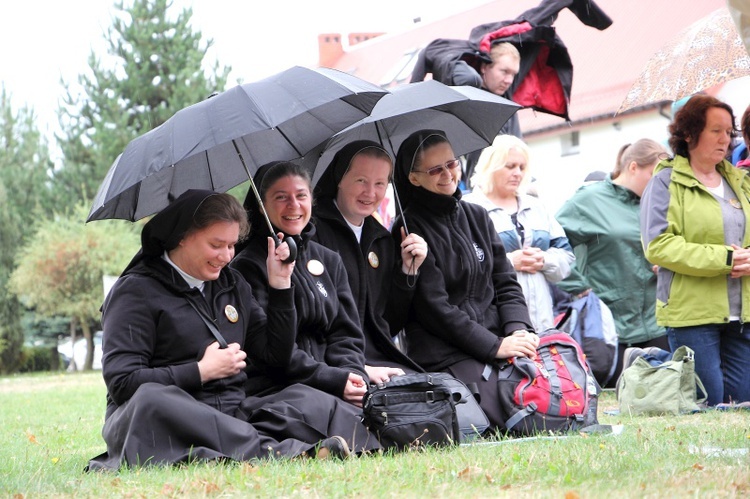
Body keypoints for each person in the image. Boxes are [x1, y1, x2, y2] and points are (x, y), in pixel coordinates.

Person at [87, 190, 351, 471]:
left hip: (232, 412)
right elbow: (122, 383)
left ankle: (377, 435)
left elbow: (276, 356)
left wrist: (280, 284)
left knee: (306, 398)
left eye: (232, 245)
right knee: (151, 400)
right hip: (164, 416)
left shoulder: (232, 284)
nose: (226, 256)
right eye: (216, 245)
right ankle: (277, 452)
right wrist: (201, 371)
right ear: (182, 236)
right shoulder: (135, 291)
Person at [390, 129, 537, 432]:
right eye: (435, 169)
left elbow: (506, 283)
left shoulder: (477, 216)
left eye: (452, 163)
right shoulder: (408, 229)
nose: (448, 174)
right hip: (446, 354)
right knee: (515, 413)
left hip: (498, 341)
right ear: (414, 178)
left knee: (543, 389)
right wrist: (495, 346)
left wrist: (519, 331)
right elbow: (435, 309)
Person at [231, 162, 374, 408]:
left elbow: (346, 334)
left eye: (301, 196)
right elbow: (274, 354)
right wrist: (333, 380)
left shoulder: (329, 259)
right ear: (262, 206)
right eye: (281, 197)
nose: (294, 206)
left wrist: (353, 377)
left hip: (335, 380)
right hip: (278, 388)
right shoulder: (246, 268)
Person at [640, 95, 750, 406]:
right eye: (716, 130)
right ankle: (649, 364)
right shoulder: (664, 182)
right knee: (706, 404)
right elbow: (658, 245)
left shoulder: (740, 182)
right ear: (689, 134)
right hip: (691, 313)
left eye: (729, 132)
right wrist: (725, 259)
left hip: (742, 311)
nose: (725, 139)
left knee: (742, 404)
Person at [555, 138, 670, 387]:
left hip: (657, 322)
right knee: (617, 402)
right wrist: (578, 285)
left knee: (662, 402)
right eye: (654, 174)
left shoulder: (660, 204)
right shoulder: (589, 200)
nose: (660, 183)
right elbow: (553, 244)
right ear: (633, 167)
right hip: (610, 327)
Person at [312, 140, 429, 378]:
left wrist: (408, 272)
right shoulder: (312, 234)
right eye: (361, 181)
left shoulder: (382, 240)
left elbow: (389, 323)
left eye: (380, 183)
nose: (370, 193)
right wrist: (358, 369)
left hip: (379, 356)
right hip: (333, 364)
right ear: (339, 179)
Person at [463, 134, 574, 333]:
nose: (517, 173)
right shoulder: (469, 208)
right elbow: (464, 266)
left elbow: (567, 256)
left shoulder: (537, 207)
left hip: (542, 320)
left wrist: (544, 260)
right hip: (493, 322)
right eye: (510, 166)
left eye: (522, 168)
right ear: (491, 166)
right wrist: (508, 262)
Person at [462, 43, 522, 190]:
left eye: (513, 74)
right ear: (484, 67)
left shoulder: (506, 103)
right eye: (504, 71)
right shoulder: (472, 102)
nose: (509, 80)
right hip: (484, 189)